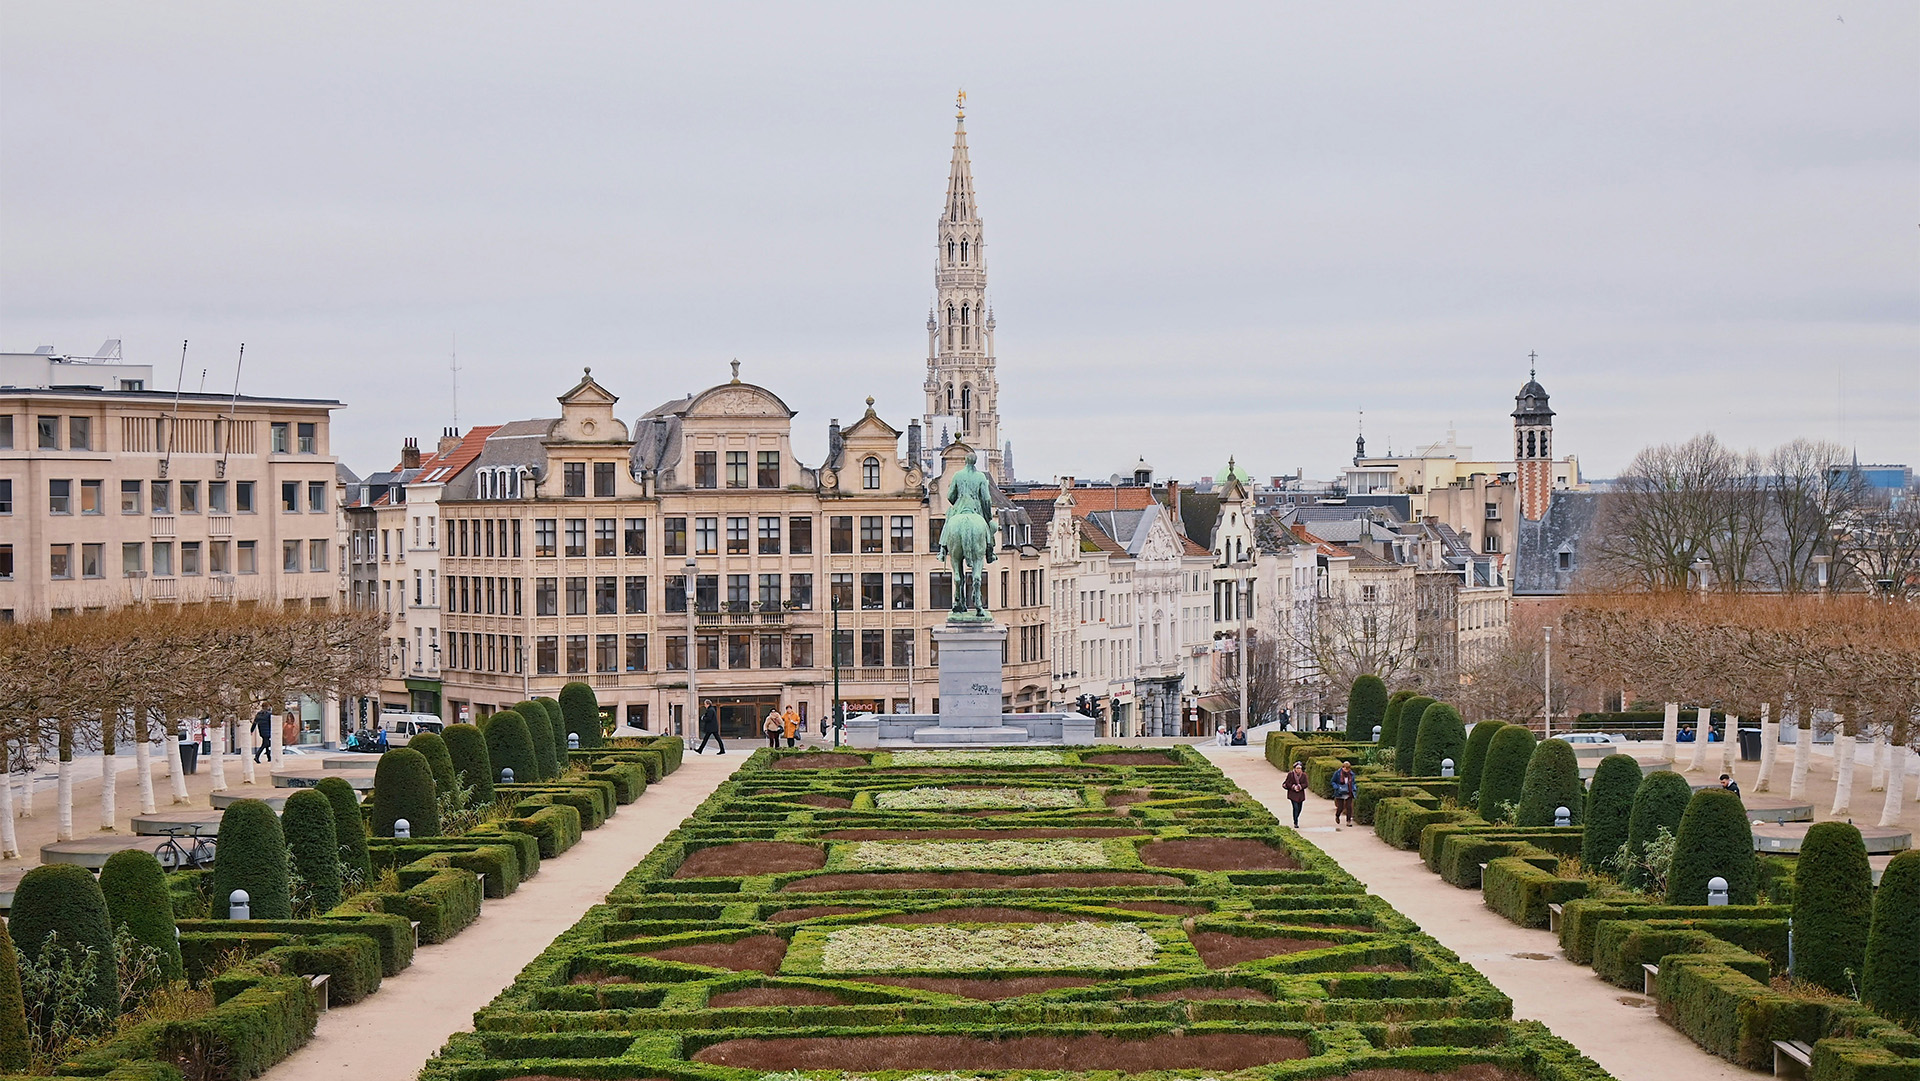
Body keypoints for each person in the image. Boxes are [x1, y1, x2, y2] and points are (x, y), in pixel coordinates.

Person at [1282, 760, 1309, 827]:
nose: (1299, 770)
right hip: (1293, 794)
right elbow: (1287, 783)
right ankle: (1295, 821)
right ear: (1294, 769)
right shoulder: (1290, 775)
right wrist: (1293, 787)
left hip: (1300, 794)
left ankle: (1296, 817)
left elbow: (1306, 784)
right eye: (1297, 768)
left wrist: (1300, 787)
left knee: (1300, 808)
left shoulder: (1304, 775)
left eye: (1300, 768)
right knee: (1295, 808)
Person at [1331, 760, 1358, 826]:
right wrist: (1336, 787)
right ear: (1342, 767)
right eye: (1345, 768)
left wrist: (1354, 788)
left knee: (1349, 807)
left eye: (1348, 768)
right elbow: (1333, 781)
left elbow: (1353, 782)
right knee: (1340, 807)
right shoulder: (1337, 773)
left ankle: (1348, 821)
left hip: (1349, 792)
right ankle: (1337, 816)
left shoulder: (1351, 774)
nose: (1346, 770)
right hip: (1340, 792)